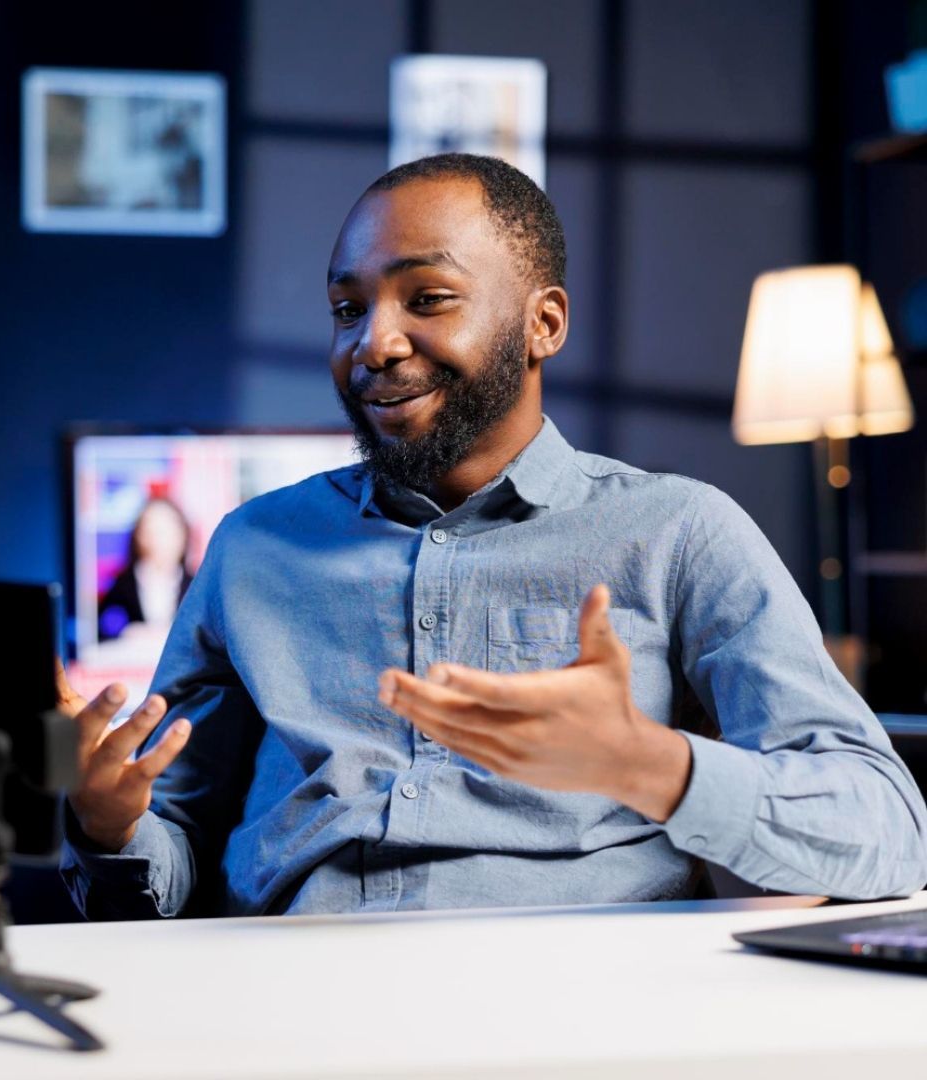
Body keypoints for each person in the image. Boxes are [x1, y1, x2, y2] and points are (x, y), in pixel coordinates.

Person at [59, 153, 927, 920]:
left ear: (543, 323)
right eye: (346, 307)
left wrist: (651, 765)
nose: (375, 342)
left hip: (583, 1008)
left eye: (427, 299)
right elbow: (164, 853)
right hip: (291, 996)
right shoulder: (251, 549)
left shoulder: (679, 532)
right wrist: (107, 824)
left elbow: (885, 828)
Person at [97, 496, 194, 643]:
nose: (159, 540)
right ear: (138, 536)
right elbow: (104, 626)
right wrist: (128, 632)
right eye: (151, 531)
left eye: (166, 531)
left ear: (182, 535)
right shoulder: (122, 585)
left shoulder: (197, 585)